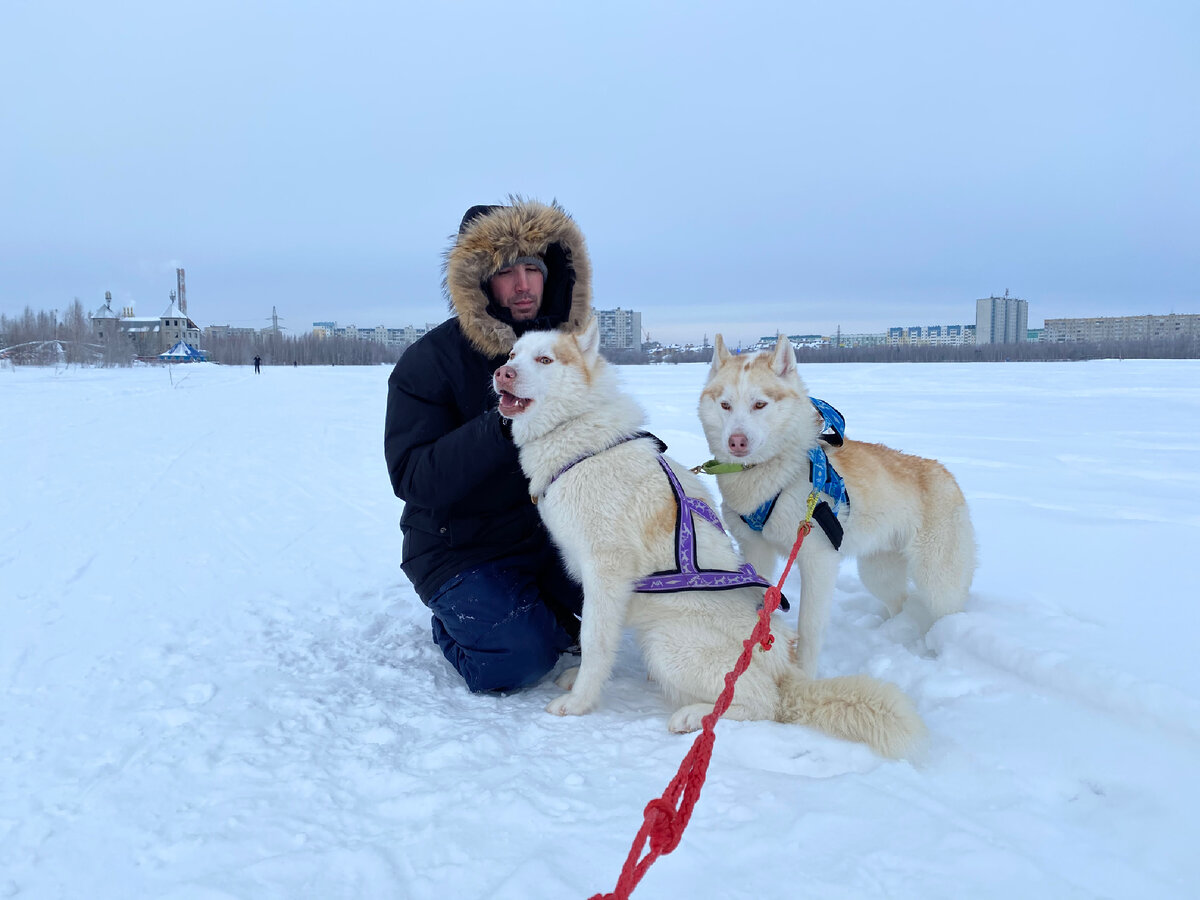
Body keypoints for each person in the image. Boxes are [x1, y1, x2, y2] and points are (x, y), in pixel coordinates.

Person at [384, 199, 593, 693]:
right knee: (516, 664)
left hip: (542, 538)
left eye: (532, 269)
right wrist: (501, 424)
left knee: (635, 585)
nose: (522, 285)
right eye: (505, 271)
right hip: (457, 549)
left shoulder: (562, 357)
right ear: (479, 281)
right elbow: (414, 478)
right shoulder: (427, 363)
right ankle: (459, 623)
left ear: (552, 275)